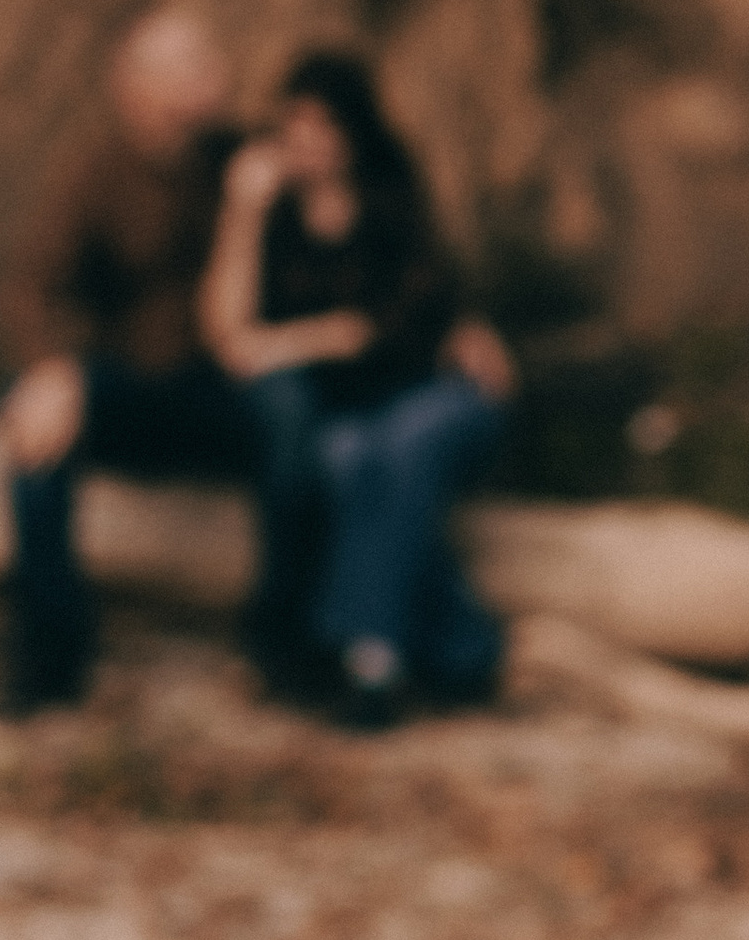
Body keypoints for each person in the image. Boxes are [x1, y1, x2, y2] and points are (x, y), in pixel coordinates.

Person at [0, 9, 316, 713]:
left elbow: (354, 208)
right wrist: (52, 371)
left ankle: (284, 640)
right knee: (30, 422)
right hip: (132, 387)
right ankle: (50, 651)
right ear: (136, 87)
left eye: (210, 59)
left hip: (225, 389)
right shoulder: (97, 174)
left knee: (293, 412)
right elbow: (35, 285)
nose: (217, 75)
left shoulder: (245, 158)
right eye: (192, 65)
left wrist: (445, 320)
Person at [199, 48, 515, 729]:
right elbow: (230, 336)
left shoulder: (392, 199)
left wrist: (298, 342)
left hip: (434, 394)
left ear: (354, 130)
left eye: (324, 123)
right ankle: (465, 650)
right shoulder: (276, 221)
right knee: (346, 458)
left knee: (395, 449)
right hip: (354, 411)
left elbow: (400, 324)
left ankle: (371, 663)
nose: (307, 138)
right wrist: (243, 210)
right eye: (295, 121)